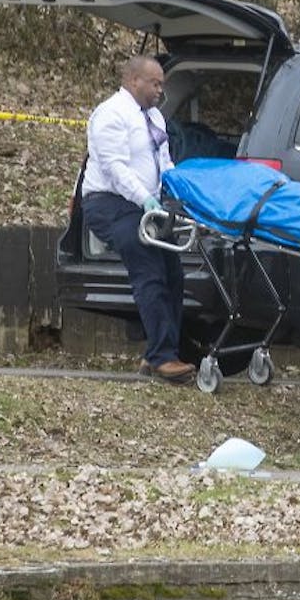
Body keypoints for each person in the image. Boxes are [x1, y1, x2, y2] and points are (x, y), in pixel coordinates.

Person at [81, 56, 193, 384]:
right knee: (149, 271)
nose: (161, 90)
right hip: (112, 204)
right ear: (133, 81)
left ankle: (158, 353)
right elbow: (115, 169)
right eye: (155, 83)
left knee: (173, 273)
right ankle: (162, 358)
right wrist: (144, 198)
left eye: (162, 84)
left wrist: (178, 190)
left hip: (149, 206)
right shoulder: (110, 115)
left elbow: (164, 159)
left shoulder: (154, 116)